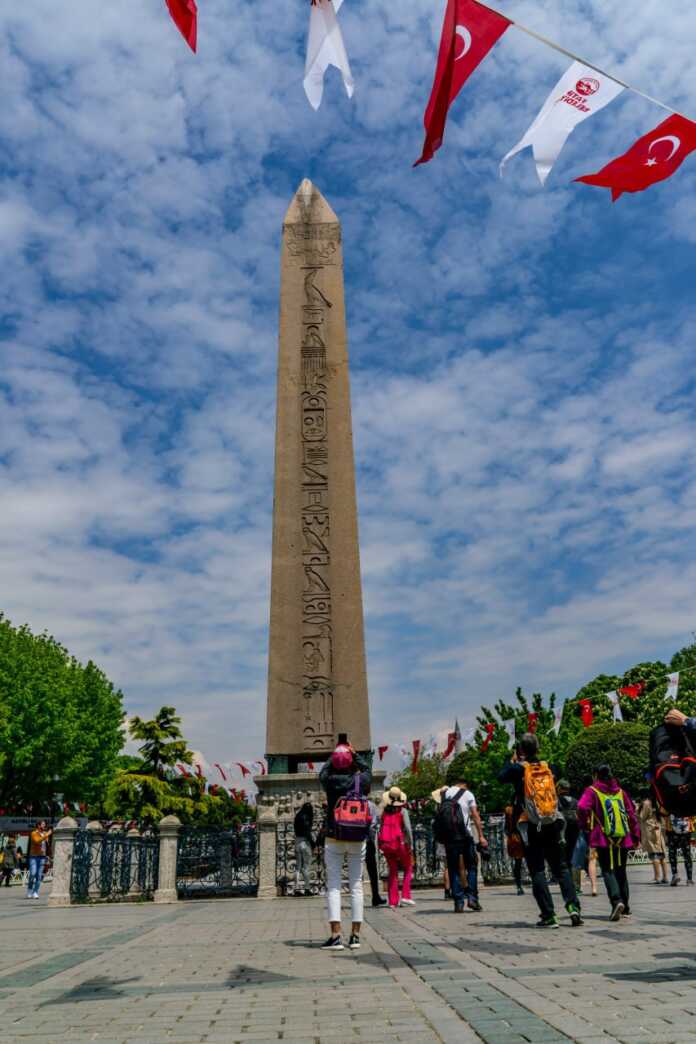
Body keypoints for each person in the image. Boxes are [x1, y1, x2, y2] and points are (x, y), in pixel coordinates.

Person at [499, 733, 582, 929]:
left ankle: (549, 915)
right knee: (560, 867)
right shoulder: (550, 767)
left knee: (537, 869)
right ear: (538, 748)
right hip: (551, 822)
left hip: (530, 824)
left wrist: (510, 761)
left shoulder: (518, 769)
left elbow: (501, 776)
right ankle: (573, 907)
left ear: (520, 751)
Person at [319, 740, 371, 950]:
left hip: (334, 835)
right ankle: (356, 936)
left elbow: (322, 772)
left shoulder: (329, 781)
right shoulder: (362, 780)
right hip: (357, 836)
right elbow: (367, 768)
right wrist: (353, 752)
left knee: (333, 886)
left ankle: (336, 935)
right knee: (356, 885)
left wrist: (335, 755)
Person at [578, 764, 640, 921]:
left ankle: (616, 901)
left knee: (607, 870)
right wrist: (636, 835)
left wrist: (584, 825)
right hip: (623, 837)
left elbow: (581, 807)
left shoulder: (592, 791)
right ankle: (625, 907)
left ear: (596, 775)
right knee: (621, 870)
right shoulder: (620, 791)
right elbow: (631, 814)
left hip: (603, 837)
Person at [438, 778, 487, 912]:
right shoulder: (468, 794)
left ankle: (458, 903)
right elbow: (475, 816)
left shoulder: (445, 793)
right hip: (465, 835)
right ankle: (472, 899)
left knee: (453, 869)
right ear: (465, 785)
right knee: (471, 867)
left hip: (449, 837)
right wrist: (481, 836)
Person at [378, 786, 414, 908]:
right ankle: (405, 896)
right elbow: (408, 829)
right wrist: (411, 844)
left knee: (392, 871)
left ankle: (393, 901)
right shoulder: (402, 811)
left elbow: (380, 827)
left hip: (386, 844)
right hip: (400, 844)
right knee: (408, 868)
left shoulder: (384, 812)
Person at [637, 795, 668, 884]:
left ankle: (657, 877)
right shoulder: (658, 802)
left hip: (650, 830)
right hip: (658, 829)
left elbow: (642, 817)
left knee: (654, 854)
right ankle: (665, 877)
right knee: (662, 855)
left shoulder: (646, 803)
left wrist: (638, 809)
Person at [365, 788, 387, 907]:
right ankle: (375, 896)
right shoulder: (371, 805)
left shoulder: (351, 802)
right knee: (372, 870)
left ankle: (355, 897)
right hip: (367, 841)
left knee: (355, 871)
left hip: (353, 841)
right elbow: (373, 824)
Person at [665, 812, 694, 886]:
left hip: (673, 830)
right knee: (687, 855)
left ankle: (675, 875)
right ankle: (689, 879)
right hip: (685, 830)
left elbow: (663, 811)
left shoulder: (669, 801)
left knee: (672, 853)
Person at [293, 802, 315, 896]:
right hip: (305, 842)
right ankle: (307, 888)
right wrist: (313, 843)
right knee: (306, 867)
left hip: (297, 841)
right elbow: (307, 832)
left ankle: (296, 888)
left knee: (298, 867)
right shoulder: (306, 817)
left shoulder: (297, 816)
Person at [27, 821, 52, 899]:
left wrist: (48, 855)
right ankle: (30, 889)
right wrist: (47, 834)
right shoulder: (34, 833)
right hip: (33, 857)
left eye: (45, 825)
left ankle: (35, 892)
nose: (44, 826)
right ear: (38, 825)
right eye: (43, 824)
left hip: (42, 857)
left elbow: (46, 846)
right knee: (33, 874)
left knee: (39, 876)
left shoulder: (45, 834)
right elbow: (37, 841)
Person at [504, 804, 525, 895]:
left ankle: (519, 886)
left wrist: (510, 835)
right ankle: (519, 885)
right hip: (523, 836)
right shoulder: (527, 807)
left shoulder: (509, 809)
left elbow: (506, 828)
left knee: (518, 863)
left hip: (516, 837)